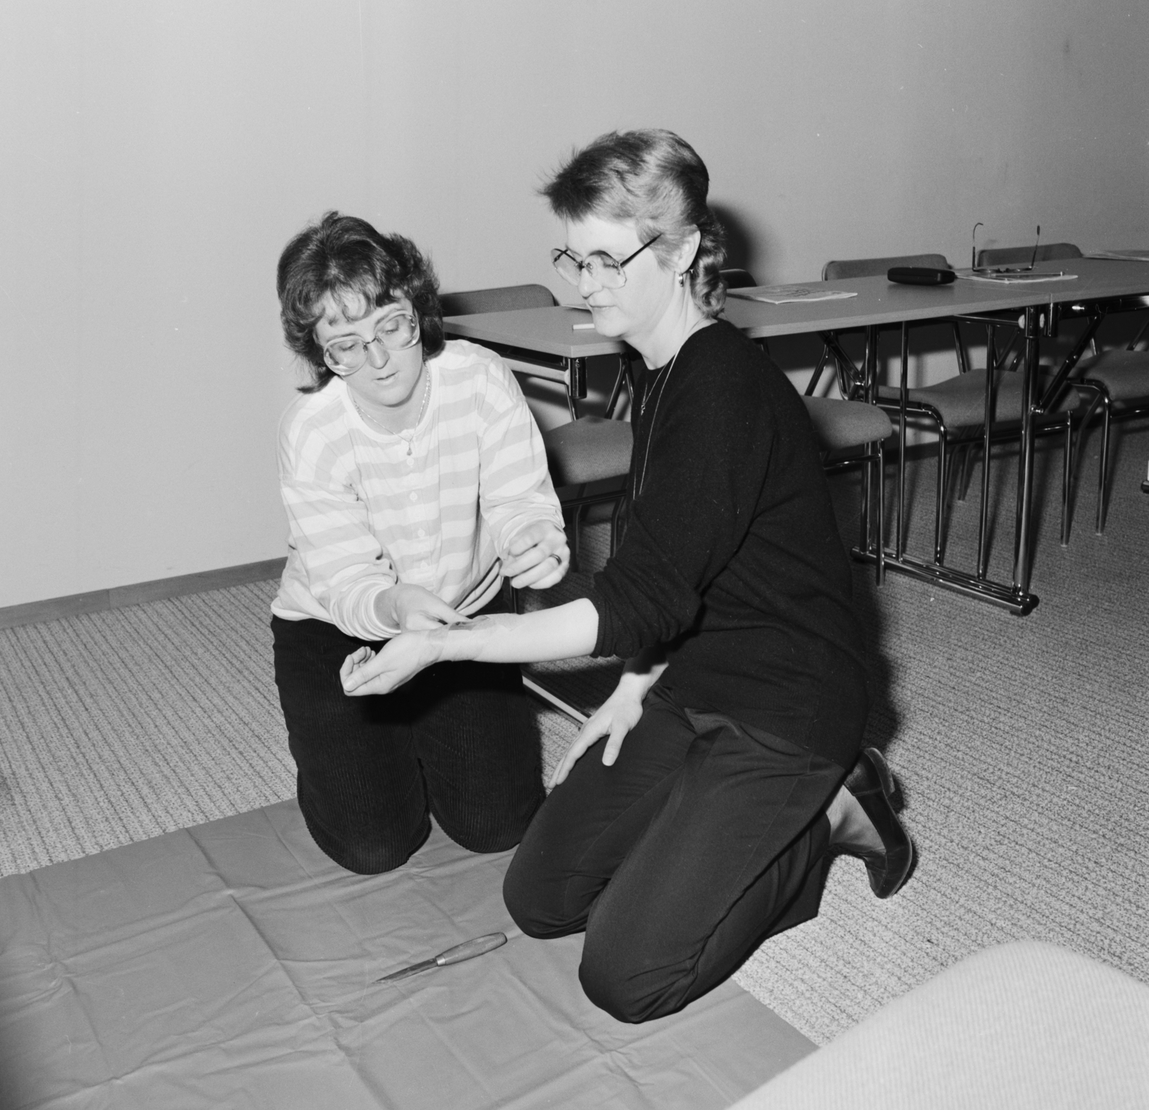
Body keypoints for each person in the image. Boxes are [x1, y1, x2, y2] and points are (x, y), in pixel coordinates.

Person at [338, 131, 914, 1022]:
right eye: (573, 257)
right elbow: (671, 564)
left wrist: (449, 644)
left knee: (625, 977)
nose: (585, 283)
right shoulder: (656, 366)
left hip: (789, 706)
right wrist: (637, 684)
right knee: (539, 900)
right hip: (696, 674)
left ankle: (832, 812)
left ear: (681, 252)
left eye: (609, 260)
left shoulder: (721, 387)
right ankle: (709, 814)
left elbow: (634, 599)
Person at [270, 212, 569, 875]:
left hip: (462, 619)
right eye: (346, 344)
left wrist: (533, 538)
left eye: (391, 327)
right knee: (374, 846)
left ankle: (420, 734)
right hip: (339, 630)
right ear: (320, 352)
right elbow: (347, 578)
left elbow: (520, 500)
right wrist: (398, 606)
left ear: (417, 309)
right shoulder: (313, 430)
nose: (377, 360)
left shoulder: (480, 378)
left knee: (497, 827)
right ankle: (340, 749)